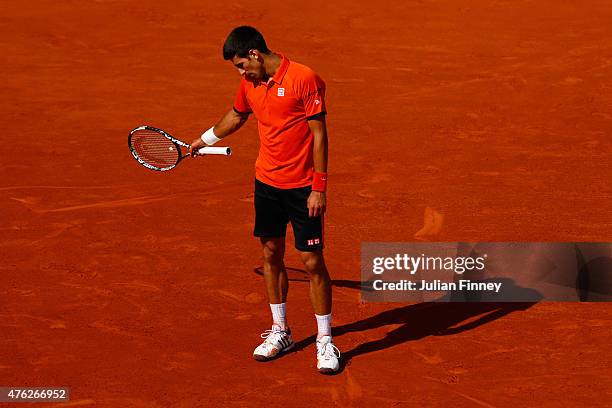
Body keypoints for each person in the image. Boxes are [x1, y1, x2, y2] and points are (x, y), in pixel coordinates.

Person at [190, 26, 340, 374]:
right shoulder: (250, 85)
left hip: (303, 187)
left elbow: (320, 135)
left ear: (255, 54)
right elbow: (237, 115)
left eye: (242, 65)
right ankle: (280, 331)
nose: (242, 74)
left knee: (311, 260)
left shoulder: (305, 79)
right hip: (267, 184)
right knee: (271, 253)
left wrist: (319, 186)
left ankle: (325, 339)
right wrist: (202, 140)